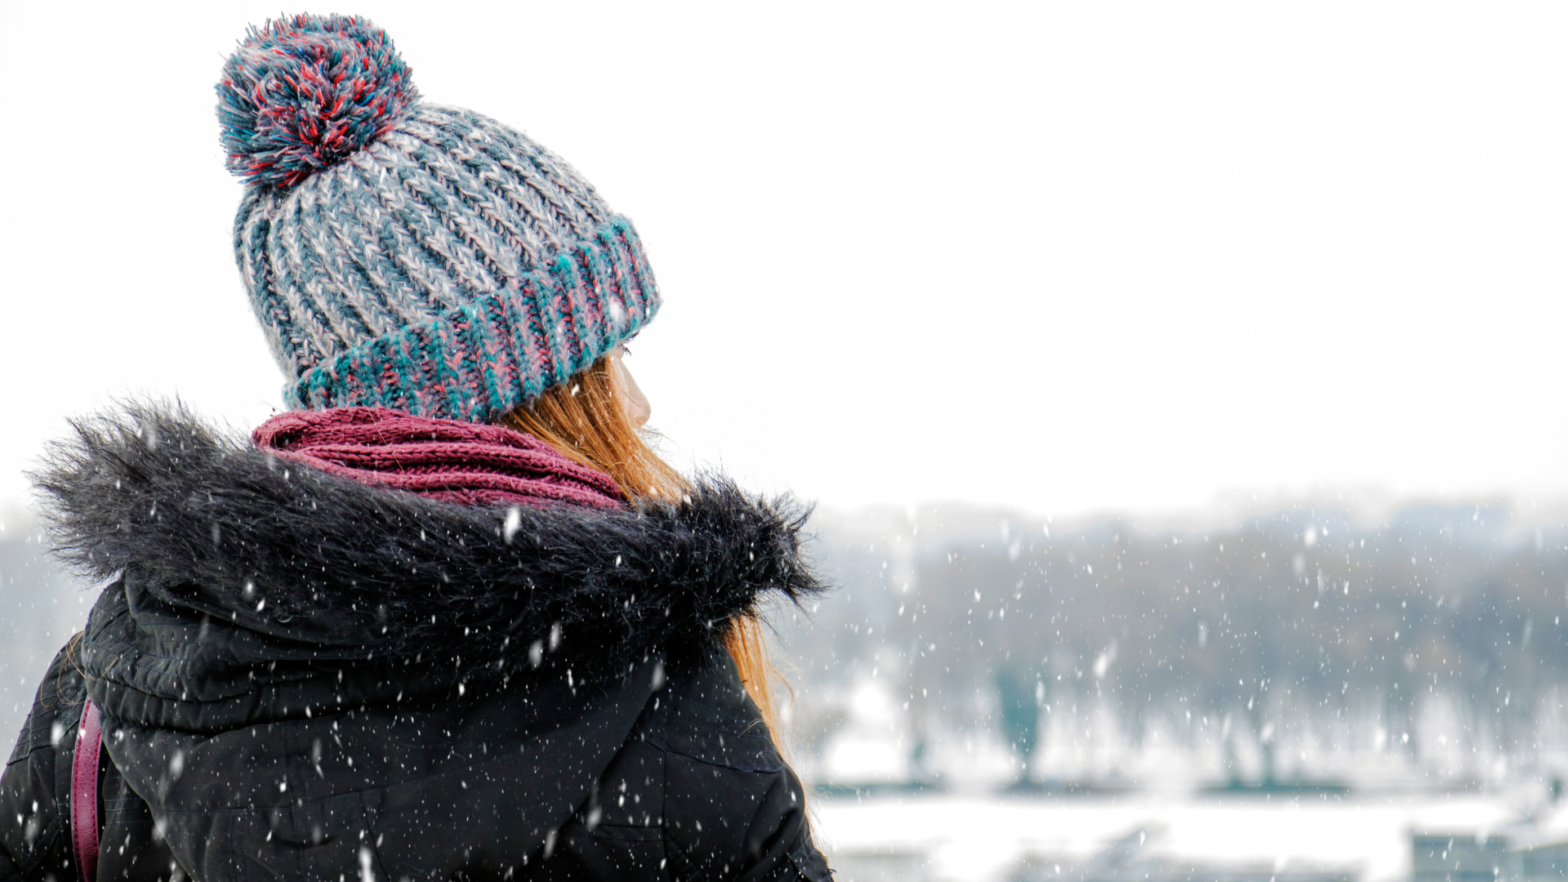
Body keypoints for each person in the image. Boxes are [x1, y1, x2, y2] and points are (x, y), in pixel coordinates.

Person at [0, 14, 831, 882]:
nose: (638, 403)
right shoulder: (657, 702)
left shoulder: (117, 684)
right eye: (610, 361)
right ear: (521, 400)